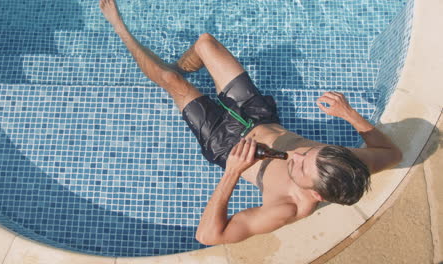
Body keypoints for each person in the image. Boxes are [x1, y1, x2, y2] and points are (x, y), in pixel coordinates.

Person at [100, 0, 403, 246]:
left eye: (300, 166)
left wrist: (232, 172)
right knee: (206, 44)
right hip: (258, 115)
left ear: (317, 195)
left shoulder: (286, 208)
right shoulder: (343, 164)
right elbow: (391, 153)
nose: (295, 154)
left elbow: (208, 236)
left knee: (170, 81)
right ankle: (178, 65)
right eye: (308, 153)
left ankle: (121, 29)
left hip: (225, 142)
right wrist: (348, 113)